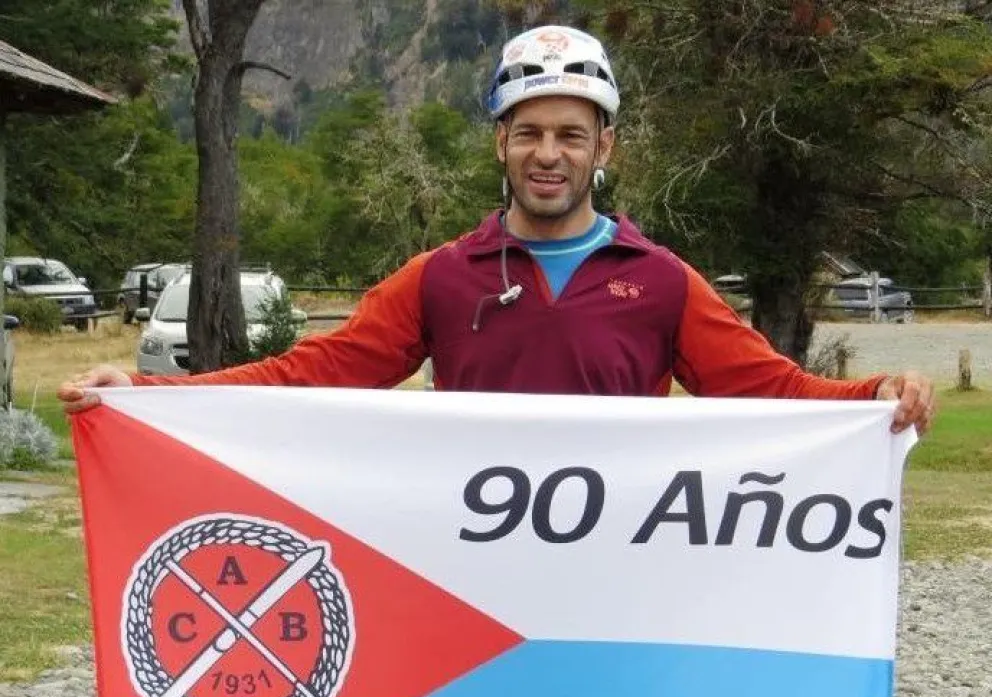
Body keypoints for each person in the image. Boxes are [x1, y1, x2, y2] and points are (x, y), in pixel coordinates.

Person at [58, 25, 935, 435]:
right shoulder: (444, 275)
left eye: (570, 135)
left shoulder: (660, 279)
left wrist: (875, 398)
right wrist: (149, 395)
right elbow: (310, 373)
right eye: (529, 133)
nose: (548, 155)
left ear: (605, 148)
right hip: (473, 574)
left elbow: (766, 391)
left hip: (622, 568)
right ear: (501, 143)